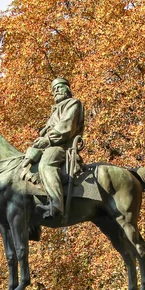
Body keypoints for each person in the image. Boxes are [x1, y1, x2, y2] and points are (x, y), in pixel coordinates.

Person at [24, 78, 84, 218]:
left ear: (67, 89)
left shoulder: (73, 103)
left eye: (59, 87)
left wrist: (47, 139)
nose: (56, 91)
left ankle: (56, 206)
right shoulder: (54, 112)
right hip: (48, 146)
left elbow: (65, 127)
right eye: (54, 89)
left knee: (46, 164)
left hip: (62, 147)